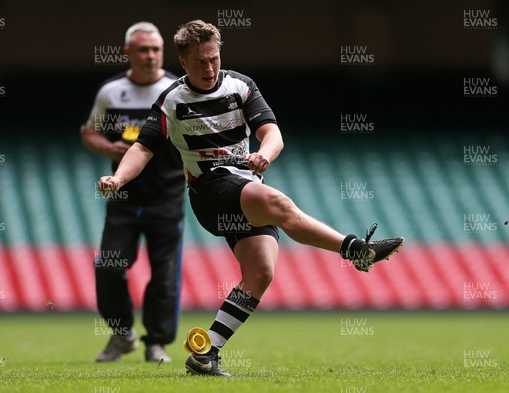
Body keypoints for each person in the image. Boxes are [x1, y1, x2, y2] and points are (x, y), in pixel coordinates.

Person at [98, 19, 404, 376]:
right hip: (211, 191)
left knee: (260, 273)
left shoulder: (240, 86)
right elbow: (143, 148)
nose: (209, 67)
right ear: (183, 62)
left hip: (244, 185)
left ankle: (205, 354)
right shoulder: (171, 101)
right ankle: (355, 250)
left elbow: (271, 132)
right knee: (278, 204)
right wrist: (118, 177)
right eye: (200, 61)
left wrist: (266, 154)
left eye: (213, 58)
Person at [81, 21, 185, 363]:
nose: (151, 56)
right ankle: (121, 334)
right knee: (108, 265)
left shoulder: (176, 90)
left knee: (165, 274)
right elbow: (89, 132)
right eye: (143, 49)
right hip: (123, 198)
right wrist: (109, 148)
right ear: (128, 52)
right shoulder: (111, 92)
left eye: (156, 49)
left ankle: (156, 343)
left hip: (167, 197)